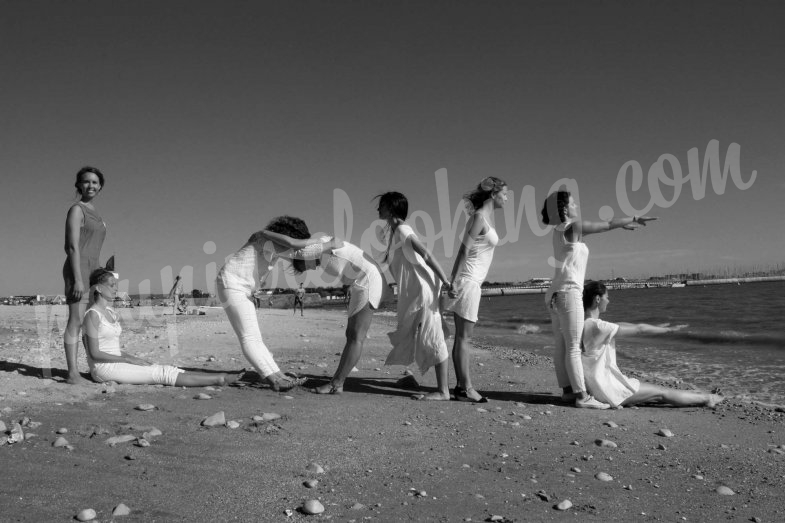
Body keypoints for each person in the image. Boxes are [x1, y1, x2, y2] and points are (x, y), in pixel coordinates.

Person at [541, 188, 656, 409]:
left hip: (554, 294)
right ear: (564, 208)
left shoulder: (558, 231)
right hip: (568, 292)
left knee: (562, 345)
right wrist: (631, 219)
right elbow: (606, 224)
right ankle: (582, 397)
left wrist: (623, 224)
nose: (576, 207)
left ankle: (568, 391)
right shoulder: (573, 227)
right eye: (573, 204)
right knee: (573, 347)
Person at [216, 216, 336, 391]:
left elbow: (296, 250)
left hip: (237, 287)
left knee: (255, 338)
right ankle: (274, 380)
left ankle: (277, 375)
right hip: (232, 285)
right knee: (249, 337)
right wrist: (330, 243)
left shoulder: (271, 243)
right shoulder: (265, 237)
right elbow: (298, 248)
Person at [260, 229, 384, 395]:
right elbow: (349, 261)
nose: (308, 268)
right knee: (352, 334)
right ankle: (337, 382)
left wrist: (263, 234)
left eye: (303, 265)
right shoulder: (320, 254)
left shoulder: (317, 246)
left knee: (356, 335)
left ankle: (337, 384)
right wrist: (347, 285)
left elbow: (292, 244)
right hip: (360, 282)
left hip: (368, 281)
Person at [83, 269, 243, 387]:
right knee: (161, 374)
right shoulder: (92, 315)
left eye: (115, 285)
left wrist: (132, 358)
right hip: (103, 368)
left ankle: (222, 376)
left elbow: (113, 349)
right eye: (111, 285)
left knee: (161, 367)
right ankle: (220, 379)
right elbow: (95, 353)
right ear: (98, 288)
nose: (115, 289)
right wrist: (128, 359)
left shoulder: (110, 312)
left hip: (116, 361)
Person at [582, 281, 724, 408]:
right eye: (607, 297)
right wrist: (668, 330)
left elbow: (620, 325)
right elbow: (639, 329)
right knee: (662, 392)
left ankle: (697, 394)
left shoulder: (586, 324)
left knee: (655, 391)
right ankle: (708, 398)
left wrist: (656, 326)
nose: (609, 301)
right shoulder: (599, 327)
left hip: (598, 386)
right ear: (597, 299)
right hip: (608, 389)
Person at [376, 192, 453, 401]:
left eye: (381, 205)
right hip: (414, 293)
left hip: (423, 292)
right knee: (422, 335)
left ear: (391, 208)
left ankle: (443, 391)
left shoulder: (402, 229)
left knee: (432, 335)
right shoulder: (394, 233)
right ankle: (433, 384)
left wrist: (446, 282)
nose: (378, 209)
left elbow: (426, 254)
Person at [443, 177, 508, 402]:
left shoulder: (484, 218)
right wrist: (453, 280)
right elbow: (463, 250)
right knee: (464, 338)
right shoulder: (479, 217)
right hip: (468, 281)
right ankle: (466, 388)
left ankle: (462, 387)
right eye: (505, 193)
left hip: (472, 282)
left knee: (462, 337)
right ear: (493, 194)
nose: (507, 198)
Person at [62, 166, 107, 385]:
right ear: (79, 185)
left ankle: (93, 367)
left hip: (94, 269)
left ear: (100, 187)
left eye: (95, 182)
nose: (91, 186)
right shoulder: (77, 209)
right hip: (78, 267)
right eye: (86, 181)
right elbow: (71, 246)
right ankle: (72, 373)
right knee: (76, 319)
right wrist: (79, 278)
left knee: (90, 320)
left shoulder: (96, 214)